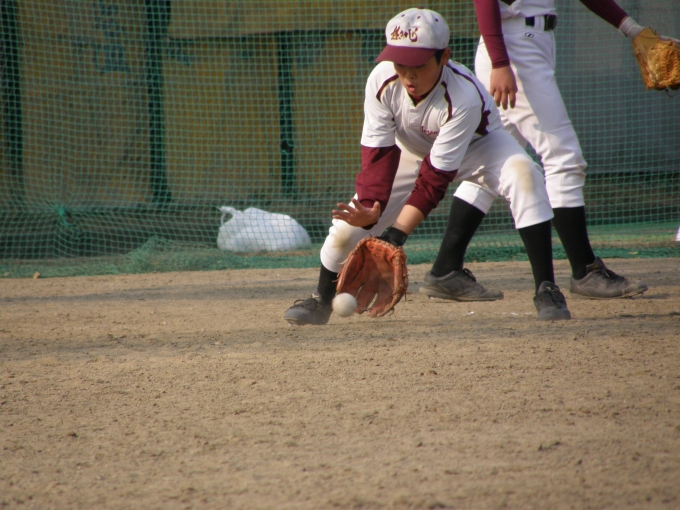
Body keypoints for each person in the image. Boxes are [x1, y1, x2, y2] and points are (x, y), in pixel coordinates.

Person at [284, 7, 571, 326]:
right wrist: (370, 208)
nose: (408, 74)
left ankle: (547, 289)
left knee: (525, 174)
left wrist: (394, 236)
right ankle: (321, 300)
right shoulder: (381, 80)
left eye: (419, 64)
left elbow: (435, 179)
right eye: (400, 63)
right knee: (346, 230)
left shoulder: (463, 95)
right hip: (412, 150)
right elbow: (379, 154)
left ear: (444, 57)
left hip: (480, 148)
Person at [420, 0, 651, 303]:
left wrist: (631, 28)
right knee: (564, 158)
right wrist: (500, 62)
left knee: (494, 161)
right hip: (513, 49)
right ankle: (585, 270)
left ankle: (445, 269)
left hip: (529, 44)